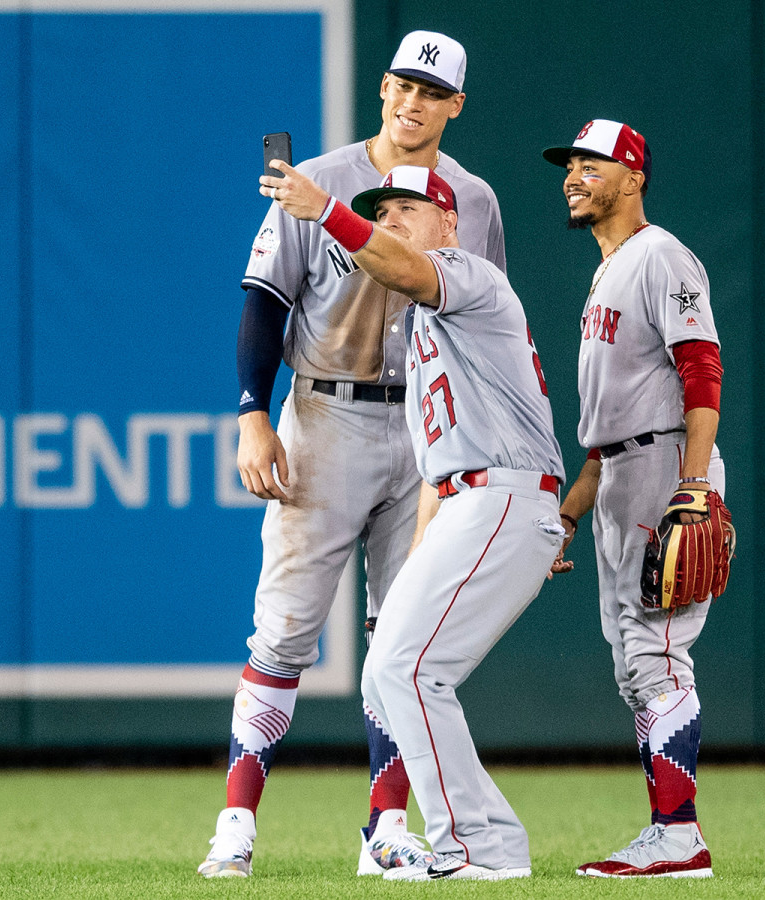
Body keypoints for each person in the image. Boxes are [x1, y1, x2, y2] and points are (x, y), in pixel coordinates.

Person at [197, 31, 507, 879]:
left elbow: (484, 328)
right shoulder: (322, 181)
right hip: (326, 414)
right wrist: (250, 416)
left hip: (427, 430)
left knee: (404, 634)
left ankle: (386, 827)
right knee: (286, 629)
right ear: (382, 88)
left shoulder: (473, 200)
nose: (413, 102)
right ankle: (236, 823)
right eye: (403, 85)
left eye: (431, 92)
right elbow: (263, 300)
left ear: (455, 107)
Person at [262, 161, 565, 881]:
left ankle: (476, 849)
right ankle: (493, 839)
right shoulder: (428, 326)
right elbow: (438, 465)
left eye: (408, 207)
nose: (392, 219)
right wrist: (435, 553)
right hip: (475, 503)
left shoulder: (468, 275)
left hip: (503, 495)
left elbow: (400, 265)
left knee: (408, 669)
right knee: (388, 676)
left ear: (449, 222)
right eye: (383, 208)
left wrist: (330, 211)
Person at [543, 119, 725, 878]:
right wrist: (570, 511)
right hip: (621, 471)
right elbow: (603, 427)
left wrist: (692, 480)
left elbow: (702, 370)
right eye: (570, 165)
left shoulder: (660, 255)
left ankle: (679, 836)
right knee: (633, 661)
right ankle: (668, 832)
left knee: (655, 651)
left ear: (635, 175)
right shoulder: (608, 270)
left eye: (593, 163)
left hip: (663, 463)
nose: (573, 175)